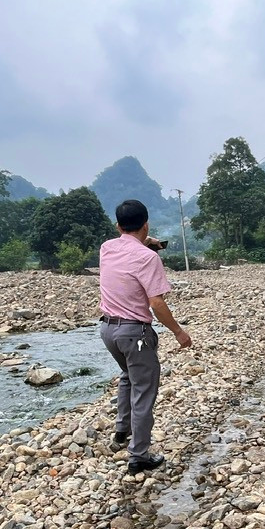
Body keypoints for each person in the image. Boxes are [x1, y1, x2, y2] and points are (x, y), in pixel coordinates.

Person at [98, 199, 192, 473]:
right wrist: (178, 331)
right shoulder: (148, 258)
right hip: (134, 333)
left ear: (117, 226)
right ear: (146, 224)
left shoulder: (107, 248)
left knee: (128, 375)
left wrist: (147, 240)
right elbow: (157, 303)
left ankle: (121, 430)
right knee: (143, 391)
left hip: (108, 330)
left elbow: (130, 242)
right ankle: (138, 456)